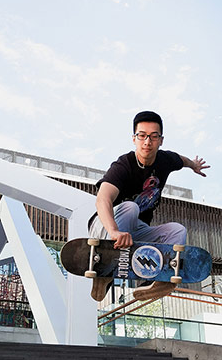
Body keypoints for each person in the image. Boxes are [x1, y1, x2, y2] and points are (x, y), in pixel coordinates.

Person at [88, 110, 209, 302]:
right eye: (142, 136)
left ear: (161, 140)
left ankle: (156, 280)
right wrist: (114, 231)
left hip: (134, 233)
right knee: (130, 208)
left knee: (178, 231)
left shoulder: (166, 160)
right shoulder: (123, 165)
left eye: (153, 136)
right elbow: (102, 199)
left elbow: (182, 160)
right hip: (106, 228)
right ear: (134, 139)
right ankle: (106, 266)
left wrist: (193, 165)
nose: (147, 142)